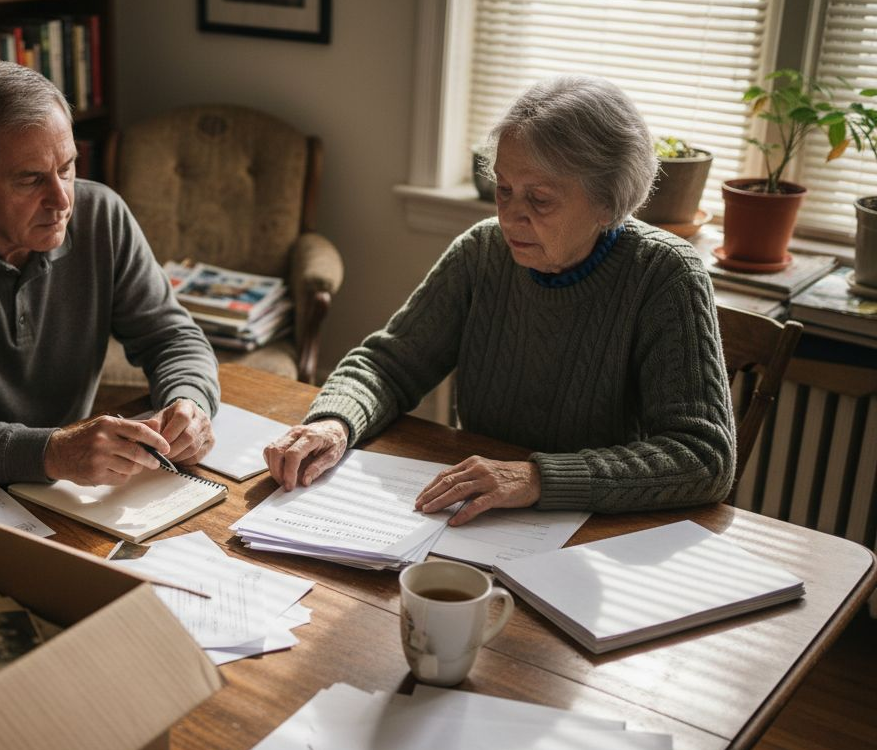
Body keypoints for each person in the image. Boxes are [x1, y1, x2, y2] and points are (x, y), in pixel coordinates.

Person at [264, 75, 735, 525]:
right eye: (504, 189)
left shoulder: (665, 274)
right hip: (475, 516)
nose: (510, 217)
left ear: (609, 202)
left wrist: (537, 478)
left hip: (597, 533)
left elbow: (703, 456)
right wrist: (334, 424)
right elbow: (388, 365)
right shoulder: (482, 251)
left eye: (540, 199)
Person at [0, 61, 219, 488]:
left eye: (66, 168)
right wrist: (55, 451)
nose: (61, 199)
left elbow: (172, 337)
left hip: (75, 488)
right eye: (31, 180)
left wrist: (189, 403)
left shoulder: (102, 215)